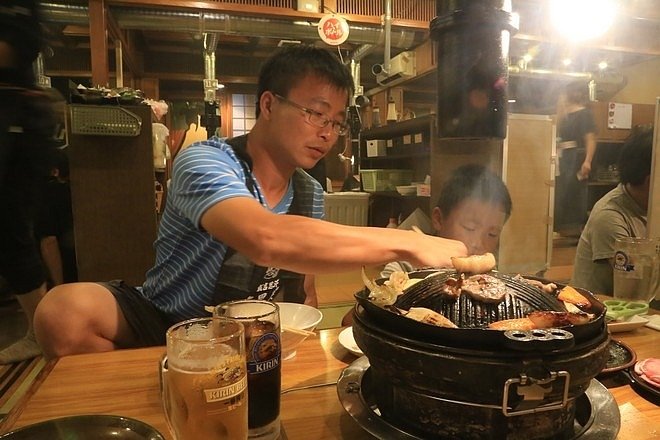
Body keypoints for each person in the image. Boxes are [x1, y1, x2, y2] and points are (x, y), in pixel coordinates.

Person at [33, 45, 467, 358]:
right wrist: (408, 243)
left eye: (336, 122)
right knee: (61, 312)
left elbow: (303, 287)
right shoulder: (206, 160)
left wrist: (300, 330)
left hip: (247, 331)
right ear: (267, 105)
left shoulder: (309, 192)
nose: (327, 133)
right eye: (316, 113)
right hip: (168, 319)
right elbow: (263, 237)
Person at [0, 0, 56, 364]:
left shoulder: (19, 10)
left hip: (19, 115)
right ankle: (41, 329)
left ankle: (41, 332)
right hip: (17, 112)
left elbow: (14, 45)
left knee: (10, 227)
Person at [381, 164, 512, 278]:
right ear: (439, 219)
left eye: (492, 234)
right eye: (470, 227)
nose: (478, 244)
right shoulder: (405, 267)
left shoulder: (490, 277)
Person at [570, 126, 653, 296]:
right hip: (603, 316)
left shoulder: (652, 209)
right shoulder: (610, 216)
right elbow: (635, 281)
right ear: (650, 180)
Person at [553, 80, 597, 238]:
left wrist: (587, 161)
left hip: (575, 157)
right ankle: (559, 228)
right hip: (560, 157)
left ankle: (573, 230)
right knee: (558, 191)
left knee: (574, 192)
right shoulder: (562, 113)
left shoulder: (585, 113)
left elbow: (590, 139)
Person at [34, 148, 77, 287]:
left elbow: (49, 242)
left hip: (64, 278)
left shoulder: (46, 193)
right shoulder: (76, 191)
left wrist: (59, 286)